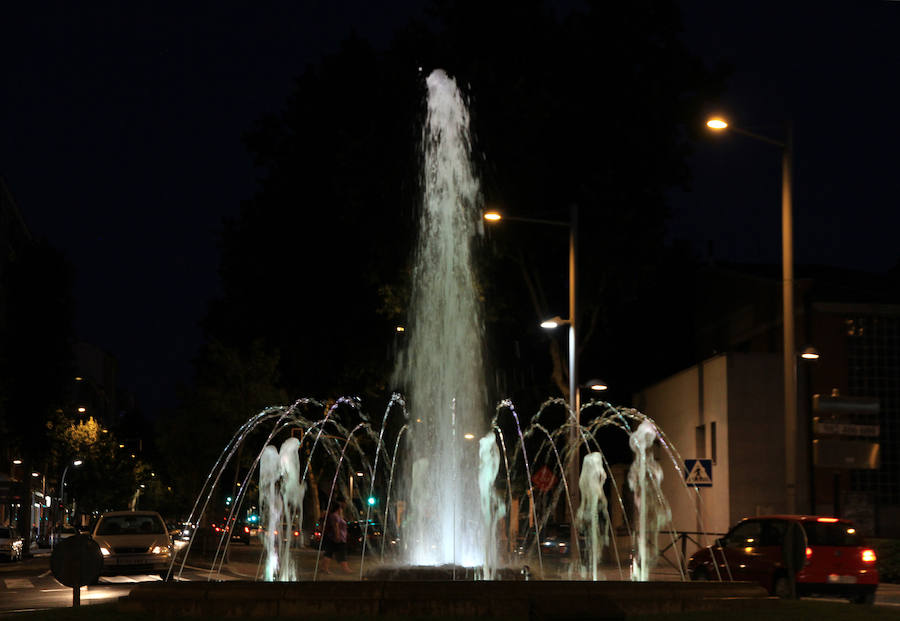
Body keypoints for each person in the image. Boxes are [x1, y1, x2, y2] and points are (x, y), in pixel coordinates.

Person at [321, 499, 352, 574]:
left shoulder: (337, 516)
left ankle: (324, 568)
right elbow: (336, 526)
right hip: (337, 538)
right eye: (341, 508)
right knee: (339, 553)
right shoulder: (335, 516)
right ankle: (345, 569)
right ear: (338, 508)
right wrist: (337, 536)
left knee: (329, 553)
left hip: (337, 538)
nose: (342, 509)